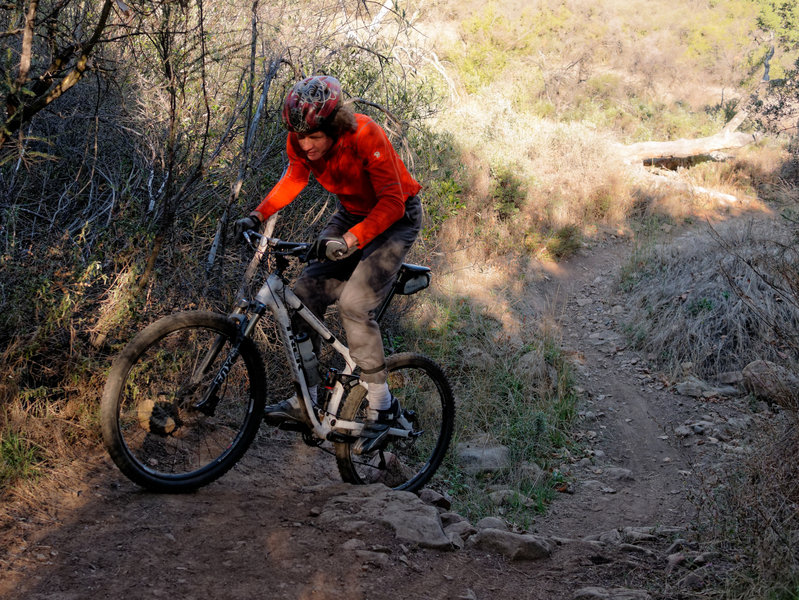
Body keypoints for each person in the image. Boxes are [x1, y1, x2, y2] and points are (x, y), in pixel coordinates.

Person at [234, 75, 422, 454]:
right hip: (351, 214)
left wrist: (350, 240)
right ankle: (309, 401)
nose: (306, 145)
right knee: (301, 296)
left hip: (396, 218)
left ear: (334, 126)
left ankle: (382, 407)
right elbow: (294, 178)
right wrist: (258, 214)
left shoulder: (366, 135)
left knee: (355, 305)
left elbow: (392, 203)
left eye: (315, 137)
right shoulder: (299, 137)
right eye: (300, 137)